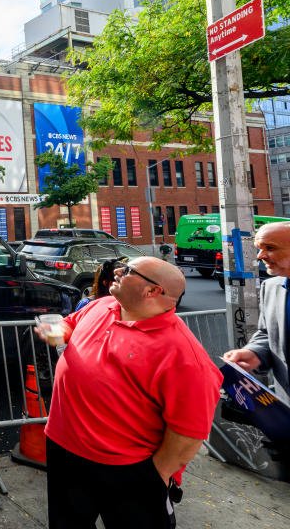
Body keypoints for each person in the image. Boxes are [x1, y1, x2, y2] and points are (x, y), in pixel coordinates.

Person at [34, 256, 222, 529]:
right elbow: (70, 324)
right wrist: (55, 329)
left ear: (153, 291)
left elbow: (188, 433)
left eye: (130, 270)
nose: (119, 271)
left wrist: (155, 475)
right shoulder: (103, 305)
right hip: (65, 450)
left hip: (128, 468)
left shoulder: (184, 355)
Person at [222, 222, 290, 406]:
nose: (260, 256)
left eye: (270, 248)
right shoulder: (271, 287)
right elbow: (267, 334)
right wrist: (254, 353)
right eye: (259, 248)